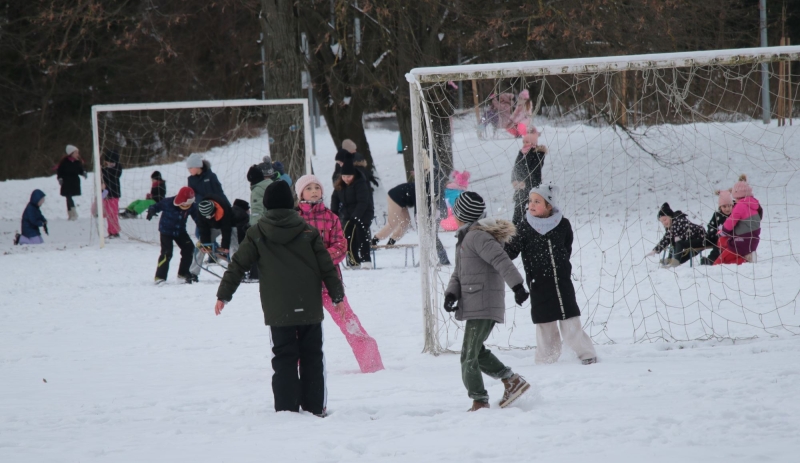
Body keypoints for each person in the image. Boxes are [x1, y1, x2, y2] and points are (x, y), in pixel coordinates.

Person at [214, 180, 346, 417]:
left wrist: (224, 294)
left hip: (278, 309)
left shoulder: (256, 233)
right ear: (290, 203)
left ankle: (286, 409)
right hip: (309, 306)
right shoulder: (309, 231)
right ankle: (314, 407)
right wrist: (338, 297)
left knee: (284, 357)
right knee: (312, 357)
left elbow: (238, 264)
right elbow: (327, 267)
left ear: (266, 205)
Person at [443, 191, 531, 411]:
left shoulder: (477, 237)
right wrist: (451, 294)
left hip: (482, 302)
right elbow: (459, 272)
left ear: (461, 213)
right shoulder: (467, 237)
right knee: (476, 351)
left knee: (468, 355)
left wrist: (518, 286)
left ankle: (479, 400)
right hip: (476, 301)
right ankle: (511, 380)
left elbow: (501, 260)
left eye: (455, 210)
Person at [295, 174, 384, 373]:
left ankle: (372, 365)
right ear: (300, 193)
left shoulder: (331, 217)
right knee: (300, 330)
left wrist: (319, 257)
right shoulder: (293, 219)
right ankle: (299, 367)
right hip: (302, 285)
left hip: (330, 283)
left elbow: (340, 247)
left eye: (317, 187)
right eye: (308, 188)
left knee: (350, 324)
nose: (314, 191)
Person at [505, 185, 598, 365]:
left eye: (537, 201)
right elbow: (511, 251)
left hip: (562, 281)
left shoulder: (563, 224)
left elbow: (566, 247)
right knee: (545, 323)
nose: (531, 204)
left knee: (570, 319)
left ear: (549, 206)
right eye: (530, 201)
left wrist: (562, 268)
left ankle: (585, 353)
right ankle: (546, 358)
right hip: (538, 283)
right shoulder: (524, 227)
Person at [146, 187, 199, 284]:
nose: (187, 206)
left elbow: (198, 218)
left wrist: (203, 226)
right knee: (167, 253)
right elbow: (156, 206)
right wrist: (151, 210)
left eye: (189, 204)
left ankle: (183, 273)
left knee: (189, 248)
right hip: (166, 231)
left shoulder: (192, 206)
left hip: (180, 231)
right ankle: (160, 277)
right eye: (185, 204)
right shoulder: (167, 202)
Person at [331, 160, 374, 268]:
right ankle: (353, 261)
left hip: (364, 212)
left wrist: (356, 216)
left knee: (361, 234)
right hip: (348, 213)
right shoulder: (340, 184)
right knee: (348, 236)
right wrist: (334, 213)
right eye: (344, 176)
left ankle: (366, 260)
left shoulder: (360, 183)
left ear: (354, 175)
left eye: (349, 176)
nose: (346, 179)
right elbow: (335, 198)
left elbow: (363, 202)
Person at [716, 175, 762, 265]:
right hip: (753, 241)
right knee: (722, 242)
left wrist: (724, 231)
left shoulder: (740, 205)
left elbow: (731, 221)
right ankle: (743, 259)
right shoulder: (755, 204)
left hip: (741, 242)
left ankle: (743, 260)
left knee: (719, 261)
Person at [189, 194, 237, 280]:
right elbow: (203, 229)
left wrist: (225, 247)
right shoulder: (200, 212)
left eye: (210, 215)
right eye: (207, 217)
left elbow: (226, 229)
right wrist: (205, 245)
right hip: (212, 226)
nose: (209, 217)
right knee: (200, 246)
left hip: (229, 224)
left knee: (233, 244)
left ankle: (236, 271)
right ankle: (193, 273)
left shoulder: (223, 208)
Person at [646, 203, 707, 267]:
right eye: (662, 222)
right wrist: (655, 250)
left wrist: (681, 237)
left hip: (701, 239)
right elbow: (667, 238)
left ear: (670, 217)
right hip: (690, 240)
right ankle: (672, 259)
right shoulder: (672, 225)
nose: (664, 223)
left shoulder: (679, 221)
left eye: (665, 220)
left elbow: (693, 231)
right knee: (674, 240)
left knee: (678, 242)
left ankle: (675, 262)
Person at [511, 129, 547, 225]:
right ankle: (516, 226)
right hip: (520, 187)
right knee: (518, 208)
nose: (524, 144)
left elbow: (534, 170)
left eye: (527, 142)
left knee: (532, 206)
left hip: (532, 186)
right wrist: (514, 180)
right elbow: (516, 168)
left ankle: (531, 224)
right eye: (523, 142)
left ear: (533, 142)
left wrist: (524, 181)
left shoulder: (538, 153)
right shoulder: (521, 153)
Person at [700, 189, 733, 265]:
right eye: (724, 206)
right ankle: (711, 259)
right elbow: (711, 226)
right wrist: (717, 233)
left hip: (732, 238)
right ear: (720, 207)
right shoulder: (717, 215)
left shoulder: (734, 214)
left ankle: (715, 260)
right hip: (718, 238)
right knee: (717, 244)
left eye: (729, 206)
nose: (727, 209)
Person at [56, 144, 87, 221]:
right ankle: (73, 213)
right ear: (71, 153)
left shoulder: (77, 162)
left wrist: (83, 173)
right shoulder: (64, 162)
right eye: (76, 153)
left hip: (74, 182)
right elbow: (60, 172)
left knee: (68, 197)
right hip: (66, 182)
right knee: (68, 196)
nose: (77, 154)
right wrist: (60, 178)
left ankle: (71, 213)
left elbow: (80, 170)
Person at [101, 149, 123, 239]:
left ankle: (115, 232)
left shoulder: (117, 169)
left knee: (112, 214)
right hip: (106, 194)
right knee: (108, 214)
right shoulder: (105, 170)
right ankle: (110, 232)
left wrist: (102, 170)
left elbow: (111, 174)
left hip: (114, 195)